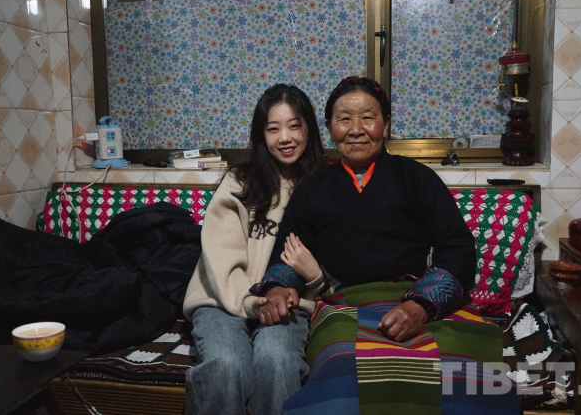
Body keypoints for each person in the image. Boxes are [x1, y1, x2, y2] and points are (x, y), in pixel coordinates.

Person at [251, 77, 521, 414]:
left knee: (462, 380)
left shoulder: (418, 178)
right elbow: (286, 254)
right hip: (343, 306)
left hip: (418, 300)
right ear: (330, 127)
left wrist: (421, 306)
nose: (356, 130)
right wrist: (278, 288)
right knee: (343, 378)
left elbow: (458, 250)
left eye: (368, 117)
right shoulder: (312, 189)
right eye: (344, 119)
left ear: (387, 125)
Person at [182, 84, 328, 415]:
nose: (285, 137)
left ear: (309, 128)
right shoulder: (240, 181)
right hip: (221, 300)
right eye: (273, 129)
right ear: (261, 135)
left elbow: (336, 265)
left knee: (276, 360)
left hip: (290, 306)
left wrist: (315, 279)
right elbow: (221, 257)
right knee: (227, 363)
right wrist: (251, 303)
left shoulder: (325, 185)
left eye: (294, 126)